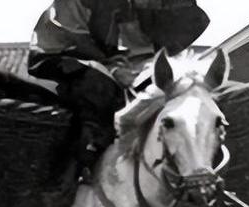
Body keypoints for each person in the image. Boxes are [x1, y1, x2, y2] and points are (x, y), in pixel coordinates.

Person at [27, 0, 210, 182]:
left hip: (113, 58)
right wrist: (114, 68)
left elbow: (147, 42)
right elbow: (79, 41)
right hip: (60, 54)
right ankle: (84, 161)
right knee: (98, 88)